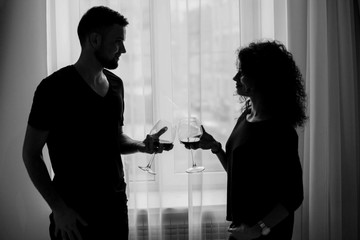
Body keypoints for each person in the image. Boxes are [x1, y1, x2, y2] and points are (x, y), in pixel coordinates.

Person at [22, 6, 172, 240]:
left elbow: (115, 139)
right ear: (94, 40)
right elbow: (31, 154)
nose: (123, 49)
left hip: (114, 209)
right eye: (118, 41)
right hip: (73, 215)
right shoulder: (53, 88)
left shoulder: (116, 86)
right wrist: (59, 210)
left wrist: (141, 145)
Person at [185, 40, 306, 239]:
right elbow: (239, 172)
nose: (235, 77)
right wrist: (217, 149)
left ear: (261, 79)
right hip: (242, 228)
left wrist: (257, 229)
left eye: (242, 72)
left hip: (264, 232)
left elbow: (293, 196)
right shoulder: (246, 115)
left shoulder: (280, 131)